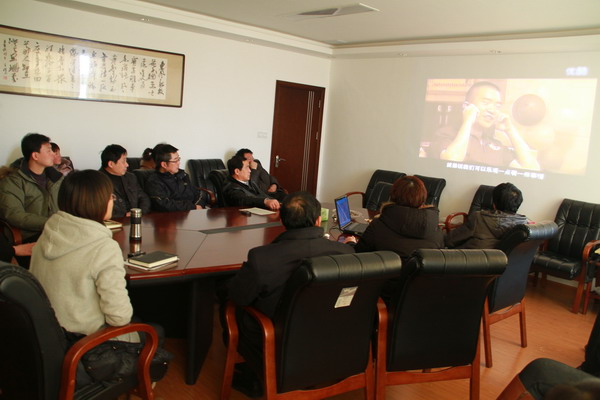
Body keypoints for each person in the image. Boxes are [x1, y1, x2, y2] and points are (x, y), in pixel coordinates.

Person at [226, 191, 354, 396]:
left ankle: (255, 376)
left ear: (282, 221)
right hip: (333, 333)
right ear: (317, 220)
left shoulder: (262, 258)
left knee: (229, 309)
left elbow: (239, 297)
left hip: (278, 337)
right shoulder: (346, 253)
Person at [30, 170, 138, 342]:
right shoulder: (103, 247)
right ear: (97, 201)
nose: (112, 200)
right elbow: (119, 318)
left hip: (47, 335)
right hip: (86, 340)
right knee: (155, 331)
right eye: (110, 196)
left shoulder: (47, 235)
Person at [435, 81, 540, 170]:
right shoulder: (447, 134)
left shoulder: (496, 144)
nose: (492, 110)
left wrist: (510, 130)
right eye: (485, 103)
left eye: (497, 106)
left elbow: (532, 167)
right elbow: (451, 161)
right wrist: (468, 122)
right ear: (467, 106)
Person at [352, 176, 444, 260]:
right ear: (423, 198)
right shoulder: (436, 231)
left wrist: (350, 243)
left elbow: (358, 256)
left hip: (383, 273)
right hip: (419, 274)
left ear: (393, 196)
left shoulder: (377, 226)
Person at [0, 133, 63, 243]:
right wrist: (50, 222)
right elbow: (14, 215)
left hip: (57, 230)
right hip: (31, 236)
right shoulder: (12, 182)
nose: (53, 154)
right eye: (49, 151)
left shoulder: (56, 178)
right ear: (35, 156)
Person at [445, 182, 528, 249]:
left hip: (469, 261)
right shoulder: (525, 225)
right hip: (501, 264)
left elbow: (449, 240)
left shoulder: (479, 218)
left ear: (494, 204)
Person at [145, 143, 207, 211]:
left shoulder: (182, 175)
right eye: (175, 160)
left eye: (178, 159)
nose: (179, 163)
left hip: (192, 213)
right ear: (164, 164)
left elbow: (198, 194)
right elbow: (164, 204)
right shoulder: (154, 181)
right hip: (172, 216)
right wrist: (193, 207)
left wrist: (198, 206)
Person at [100, 144, 151, 218]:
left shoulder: (130, 177)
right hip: (114, 221)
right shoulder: (97, 181)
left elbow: (144, 198)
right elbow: (97, 208)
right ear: (111, 164)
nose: (127, 165)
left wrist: (139, 212)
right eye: (123, 161)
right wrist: (124, 216)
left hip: (135, 218)